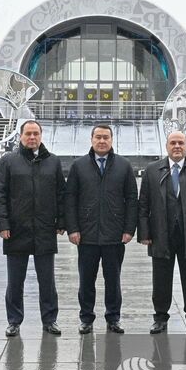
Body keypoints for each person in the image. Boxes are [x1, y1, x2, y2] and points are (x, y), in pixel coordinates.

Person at [0, 120, 65, 338]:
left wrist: (61, 221)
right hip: (16, 230)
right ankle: (14, 321)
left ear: (41, 136)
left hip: (44, 230)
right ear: (21, 136)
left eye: (36, 134)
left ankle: (49, 320)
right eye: (28, 134)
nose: (32, 137)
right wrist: (2, 224)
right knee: (15, 281)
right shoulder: (8, 162)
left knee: (47, 281)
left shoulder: (53, 162)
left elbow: (61, 194)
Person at [138, 131, 186, 334]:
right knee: (161, 280)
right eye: (173, 143)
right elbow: (143, 204)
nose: (177, 146)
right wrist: (144, 233)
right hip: (160, 235)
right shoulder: (153, 170)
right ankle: (160, 318)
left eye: (181, 143)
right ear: (166, 146)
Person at [64, 124, 138, 334]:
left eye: (106, 137)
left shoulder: (124, 166)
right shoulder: (79, 166)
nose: (102, 141)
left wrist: (129, 229)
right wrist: (73, 229)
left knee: (113, 280)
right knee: (86, 280)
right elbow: (70, 199)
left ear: (112, 140)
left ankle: (113, 317)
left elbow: (132, 199)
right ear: (91, 139)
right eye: (98, 137)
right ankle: (86, 318)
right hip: (86, 235)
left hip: (114, 235)